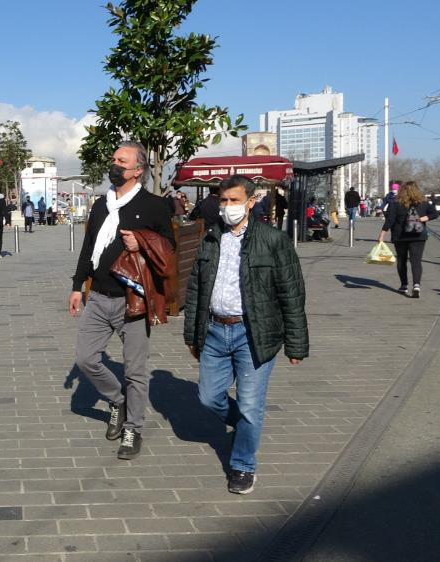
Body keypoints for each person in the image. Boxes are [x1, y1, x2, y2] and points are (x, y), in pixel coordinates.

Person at [184, 174, 308, 495]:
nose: (227, 207)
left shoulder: (273, 240)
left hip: (254, 332)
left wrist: (296, 343)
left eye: (234, 201)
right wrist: (192, 335)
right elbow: (196, 289)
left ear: (251, 202)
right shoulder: (211, 238)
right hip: (214, 330)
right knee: (208, 397)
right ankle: (243, 426)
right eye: (223, 201)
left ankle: (242, 465)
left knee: (252, 405)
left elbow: (291, 294)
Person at [69, 140, 174, 461]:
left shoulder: (154, 205)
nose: (114, 165)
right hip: (98, 296)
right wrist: (77, 286)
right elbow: (89, 246)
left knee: (135, 370)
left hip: (134, 300)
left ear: (138, 170)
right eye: (113, 158)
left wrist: (141, 242)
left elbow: (169, 249)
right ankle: (117, 400)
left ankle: (133, 428)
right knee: (86, 358)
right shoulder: (102, 204)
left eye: (121, 161)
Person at [378, 181, 438, 298]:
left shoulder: (395, 203)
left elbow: (389, 220)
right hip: (418, 236)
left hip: (400, 236)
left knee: (401, 261)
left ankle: (404, 285)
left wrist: (382, 234)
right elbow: (434, 213)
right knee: (416, 261)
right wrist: (423, 218)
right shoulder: (423, 203)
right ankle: (416, 285)